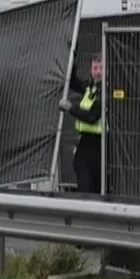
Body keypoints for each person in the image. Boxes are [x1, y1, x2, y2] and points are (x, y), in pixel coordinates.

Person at [60, 57, 103, 195]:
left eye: (101, 68)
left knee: (96, 187)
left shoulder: (107, 91)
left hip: (101, 146)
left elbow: (92, 116)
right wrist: (72, 57)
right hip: (85, 144)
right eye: (95, 68)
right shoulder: (90, 87)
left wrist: (70, 108)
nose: (97, 72)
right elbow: (73, 81)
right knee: (84, 183)